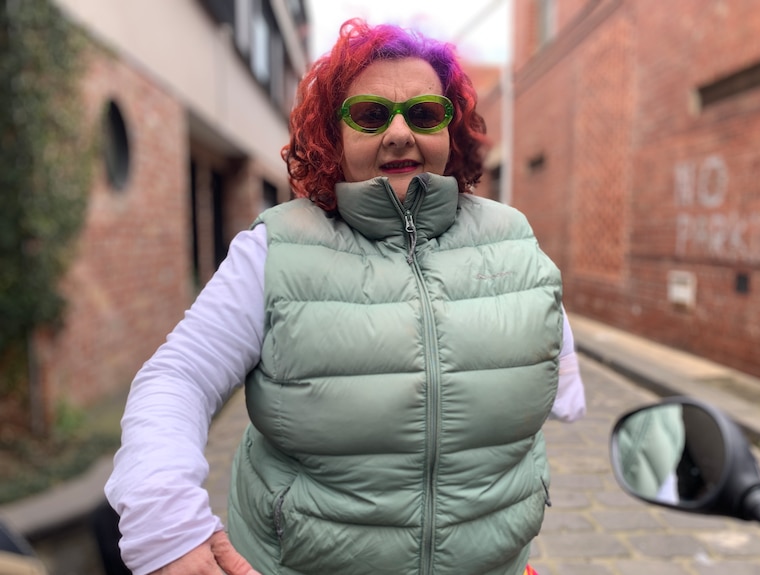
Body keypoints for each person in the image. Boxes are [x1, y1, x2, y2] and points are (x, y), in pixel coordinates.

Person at [105, 18, 586, 575]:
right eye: (371, 115)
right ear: (333, 135)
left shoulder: (515, 240)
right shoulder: (274, 249)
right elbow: (178, 378)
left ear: (449, 130)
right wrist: (166, 529)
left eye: (425, 113)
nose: (401, 133)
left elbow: (552, 359)